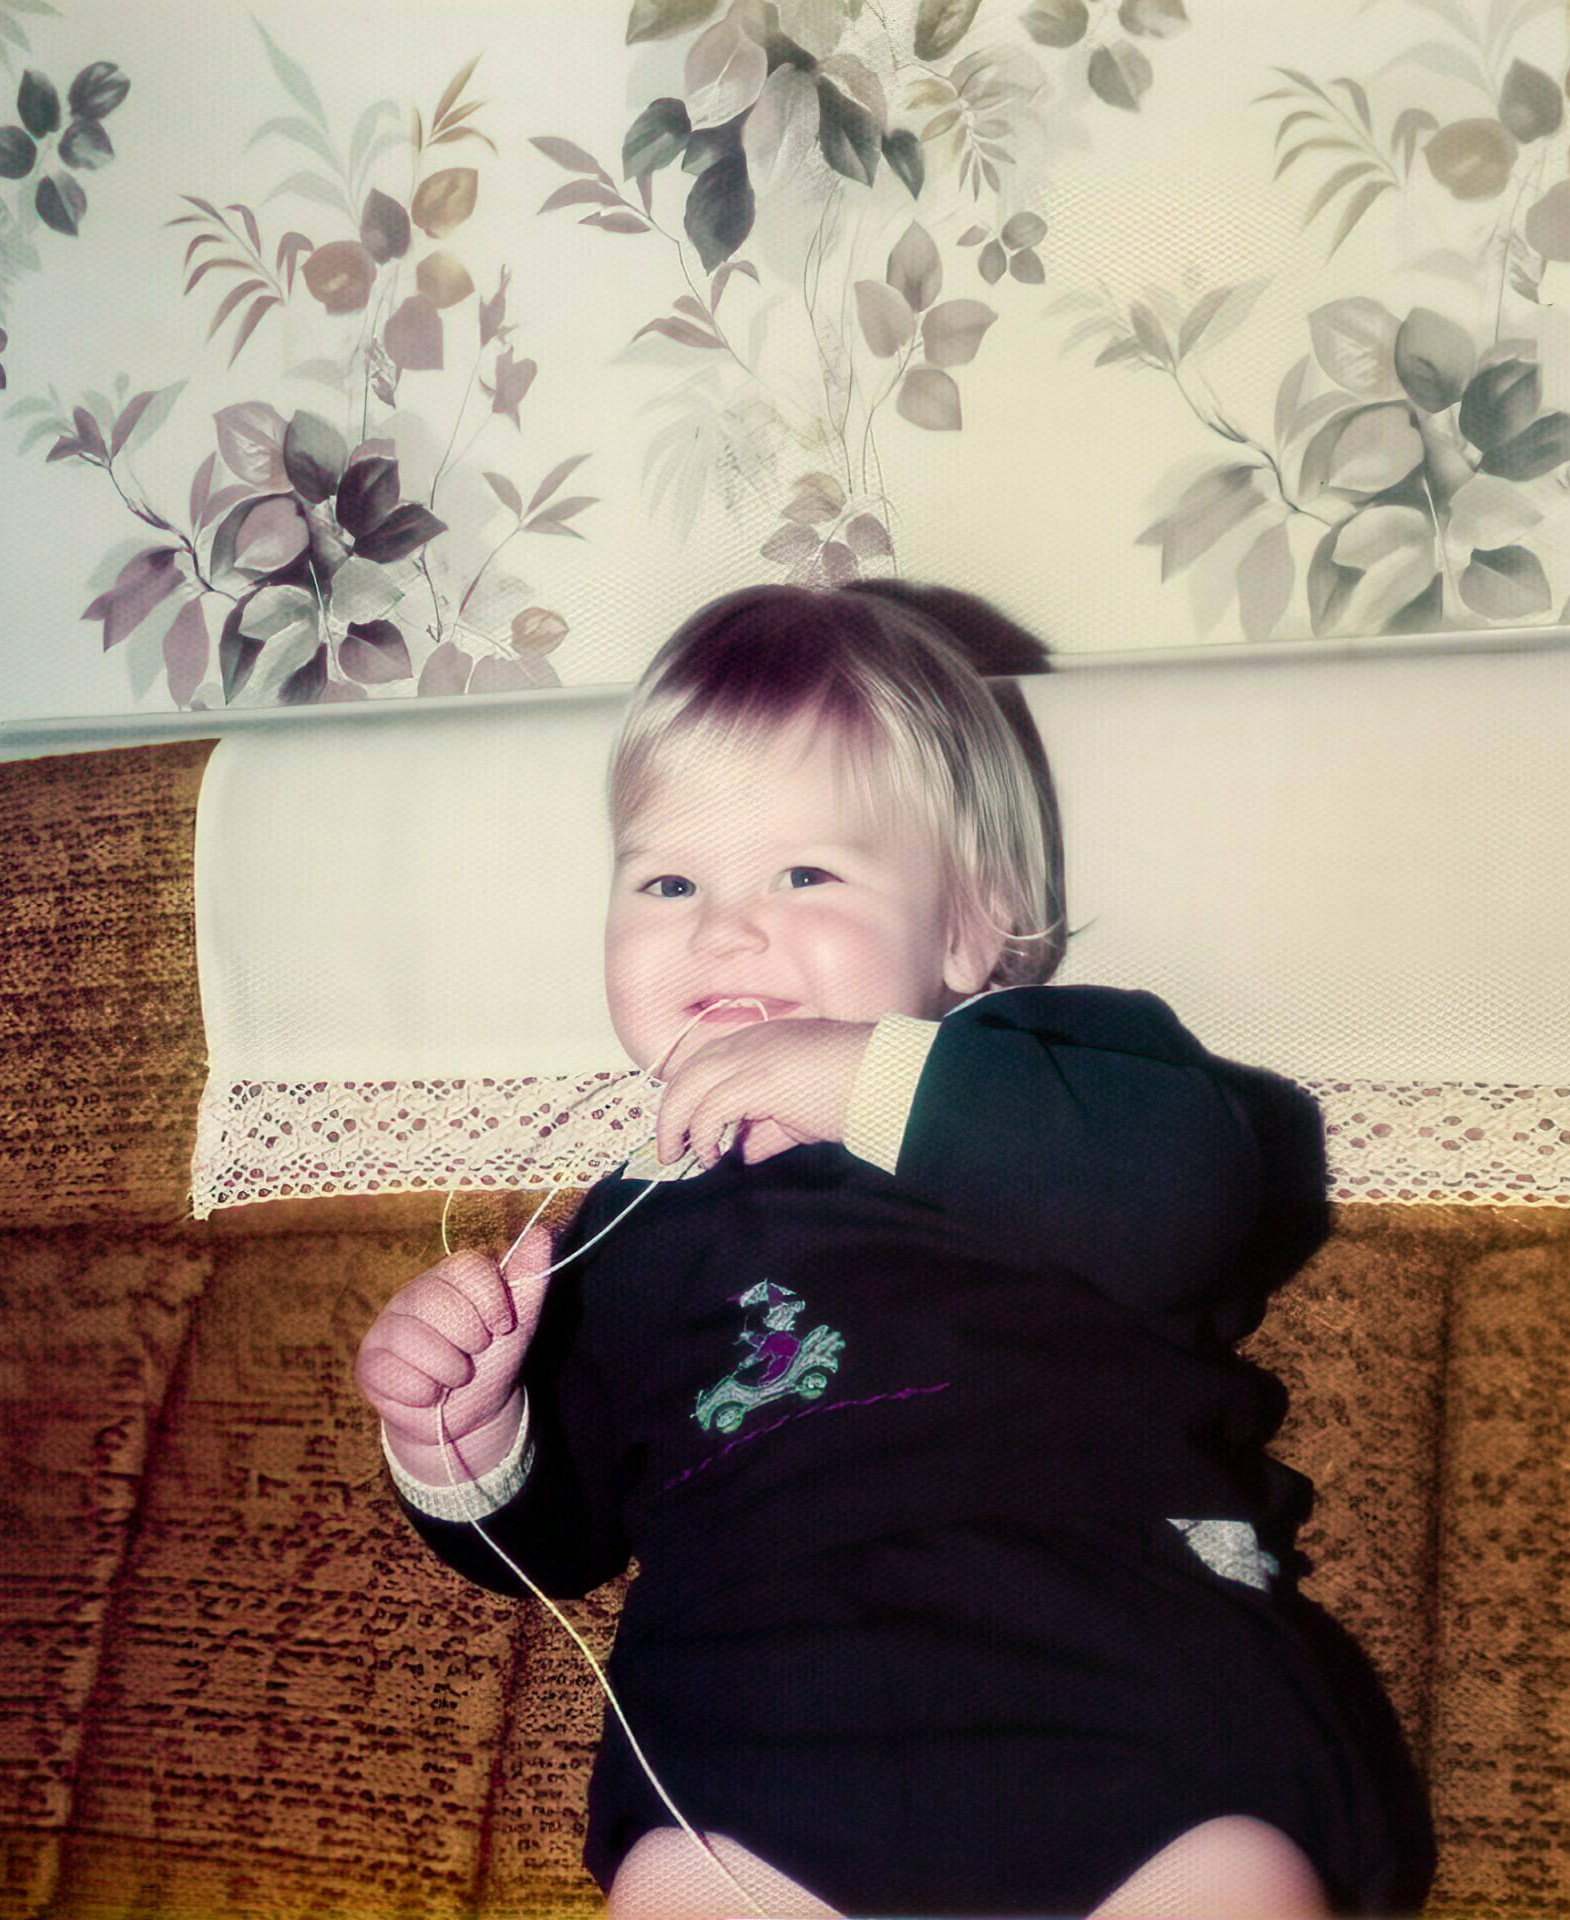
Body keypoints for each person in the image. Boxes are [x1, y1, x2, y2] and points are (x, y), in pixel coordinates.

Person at [354, 582, 1435, 1919]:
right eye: (669, 880)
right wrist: (462, 1432)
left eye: (804, 874)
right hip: (748, 1741)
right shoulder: (626, 1226)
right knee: (671, 1890)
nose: (721, 928)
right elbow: (560, 1533)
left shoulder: (1054, 1069)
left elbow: (1194, 1196)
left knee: (1232, 1882)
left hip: (1125, 1678)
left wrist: (854, 1079)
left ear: (974, 929)